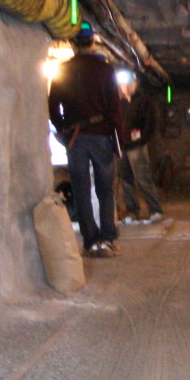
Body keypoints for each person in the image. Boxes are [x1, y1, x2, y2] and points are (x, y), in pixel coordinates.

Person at [46, 24, 123, 257]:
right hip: (101, 135)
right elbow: (114, 107)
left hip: (75, 138)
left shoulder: (63, 70)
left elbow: (53, 105)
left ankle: (90, 241)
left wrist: (64, 130)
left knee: (81, 189)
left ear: (72, 44)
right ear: (92, 42)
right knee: (105, 189)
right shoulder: (105, 70)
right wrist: (118, 138)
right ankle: (107, 238)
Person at [116, 77, 165, 224]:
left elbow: (150, 123)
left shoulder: (144, 101)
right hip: (123, 147)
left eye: (128, 84)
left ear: (135, 84)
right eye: (122, 84)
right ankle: (132, 211)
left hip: (136, 146)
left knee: (143, 178)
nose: (125, 87)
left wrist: (142, 140)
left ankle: (155, 210)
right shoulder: (120, 104)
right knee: (126, 180)